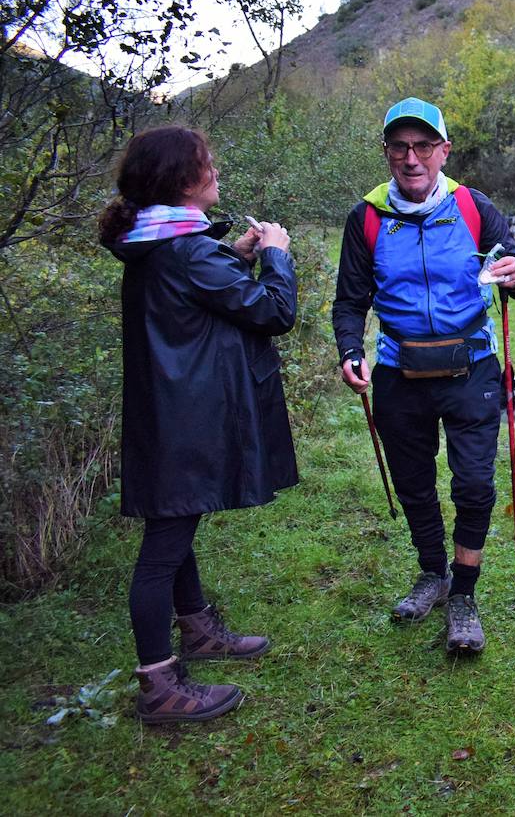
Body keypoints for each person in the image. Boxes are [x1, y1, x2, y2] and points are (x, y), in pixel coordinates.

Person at [99, 126, 297, 724]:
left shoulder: (161, 242)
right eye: (207, 164)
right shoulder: (184, 250)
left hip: (169, 411)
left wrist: (233, 257)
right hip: (183, 417)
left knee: (175, 520)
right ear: (183, 182)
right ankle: (158, 683)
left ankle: (198, 629)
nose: (215, 172)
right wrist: (276, 256)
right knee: (164, 547)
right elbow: (273, 312)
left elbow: (194, 295)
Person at [333, 98, 515, 655]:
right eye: (400, 146)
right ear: (387, 153)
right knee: (415, 486)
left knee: (474, 485)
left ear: (443, 150)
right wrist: (350, 350)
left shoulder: (473, 208)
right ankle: (433, 574)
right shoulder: (367, 217)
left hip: (471, 368)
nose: (412, 157)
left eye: (424, 145)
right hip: (401, 374)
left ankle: (464, 595)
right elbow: (350, 301)